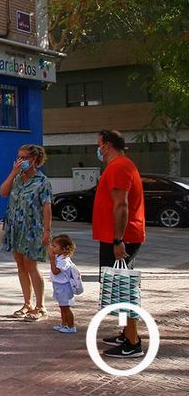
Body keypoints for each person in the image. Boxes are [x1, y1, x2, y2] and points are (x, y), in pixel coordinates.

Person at [93, 129, 146, 358]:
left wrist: (118, 240)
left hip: (120, 237)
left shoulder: (118, 167)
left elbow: (121, 205)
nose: (98, 149)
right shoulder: (121, 165)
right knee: (118, 286)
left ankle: (133, 342)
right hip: (116, 236)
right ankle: (126, 333)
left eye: (99, 145)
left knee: (124, 288)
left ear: (107, 145)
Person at [0, 144, 53, 321]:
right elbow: (3, 192)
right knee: (20, 265)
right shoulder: (17, 178)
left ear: (34, 159)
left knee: (31, 266)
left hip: (32, 229)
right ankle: (27, 303)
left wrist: (47, 231)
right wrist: (13, 172)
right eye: (19, 157)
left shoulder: (42, 181)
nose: (20, 161)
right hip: (15, 228)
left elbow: (46, 207)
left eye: (24, 158)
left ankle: (40, 306)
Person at [49, 234, 78, 334]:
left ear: (64, 249)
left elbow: (55, 271)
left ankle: (71, 326)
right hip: (58, 285)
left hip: (64, 287)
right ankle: (64, 324)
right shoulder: (59, 257)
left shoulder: (64, 261)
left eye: (54, 246)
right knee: (62, 306)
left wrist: (52, 260)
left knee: (66, 307)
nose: (52, 248)